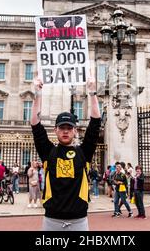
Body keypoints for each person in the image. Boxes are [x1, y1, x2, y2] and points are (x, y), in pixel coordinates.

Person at [30, 74, 101, 231]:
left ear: (75, 131)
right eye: (62, 128)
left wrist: (92, 92)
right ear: (55, 130)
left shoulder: (84, 152)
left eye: (69, 128)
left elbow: (95, 124)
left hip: (79, 221)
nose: (65, 131)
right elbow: (35, 125)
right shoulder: (49, 152)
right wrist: (38, 94)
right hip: (51, 220)